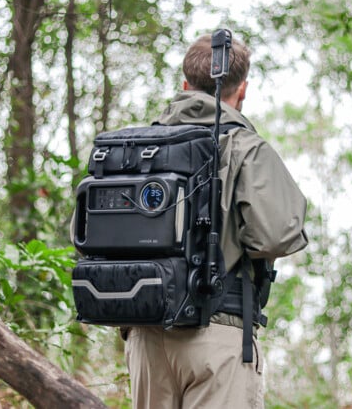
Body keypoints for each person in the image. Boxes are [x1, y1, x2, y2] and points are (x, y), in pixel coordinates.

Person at [122, 35, 308, 408]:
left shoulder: (134, 148)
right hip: (218, 333)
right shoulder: (246, 147)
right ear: (242, 91)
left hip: (145, 336)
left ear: (186, 86)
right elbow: (275, 236)